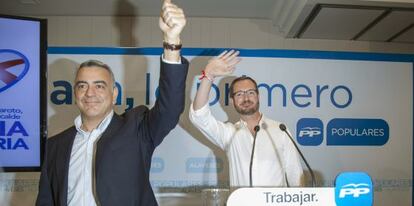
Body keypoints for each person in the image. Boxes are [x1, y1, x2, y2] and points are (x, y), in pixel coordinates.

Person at [36, 0, 188, 205]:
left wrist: (172, 41)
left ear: (114, 93)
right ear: (74, 93)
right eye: (82, 86)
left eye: (99, 86)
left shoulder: (136, 129)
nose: (90, 93)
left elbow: (169, 108)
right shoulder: (55, 146)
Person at [189, 50, 304, 187]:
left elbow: (295, 175)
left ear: (258, 96)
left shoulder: (280, 130)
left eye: (250, 92)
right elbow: (199, 116)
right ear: (231, 101)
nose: (246, 98)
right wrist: (208, 76)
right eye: (239, 94)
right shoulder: (229, 134)